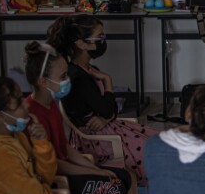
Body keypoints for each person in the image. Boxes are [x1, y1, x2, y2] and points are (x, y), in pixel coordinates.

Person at [47, 14, 155, 183]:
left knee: (159, 140)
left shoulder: (89, 69)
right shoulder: (79, 78)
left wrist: (106, 116)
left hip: (109, 128)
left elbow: (110, 110)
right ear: (81, 44)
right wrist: (108, 81)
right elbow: (106, 108)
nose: (103, 41)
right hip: (98, 140)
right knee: (155, 150)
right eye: (99, 37)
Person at [23, 41, 131, 194]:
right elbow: (55, 163)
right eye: (63, 76)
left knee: (124, 177)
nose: (68, 80)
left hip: (66, 168)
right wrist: (96, 172)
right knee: (114, 187)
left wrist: (93, 168)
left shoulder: (50, 104)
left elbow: (65, 148)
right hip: (54, 177)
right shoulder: (31, 113)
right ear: (44, 82)